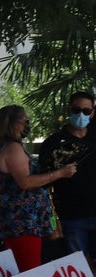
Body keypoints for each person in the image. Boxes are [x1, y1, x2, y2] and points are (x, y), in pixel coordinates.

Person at [0, 105, 77, 272]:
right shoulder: (12, 148)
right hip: (22, 222)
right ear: (13, 124)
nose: (28, 124)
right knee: (30, 271)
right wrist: (60, 173)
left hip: (14, 221)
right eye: (25, 121)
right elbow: (25, 182)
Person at [37, 91, 96, 261]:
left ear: (92, 113)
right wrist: (60, 173)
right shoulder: (53, 143)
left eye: (86, 111)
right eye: (77, 110)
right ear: (69, 109)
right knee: (78, 267)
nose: (81, 114)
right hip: (71, 214)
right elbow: (43, 180)